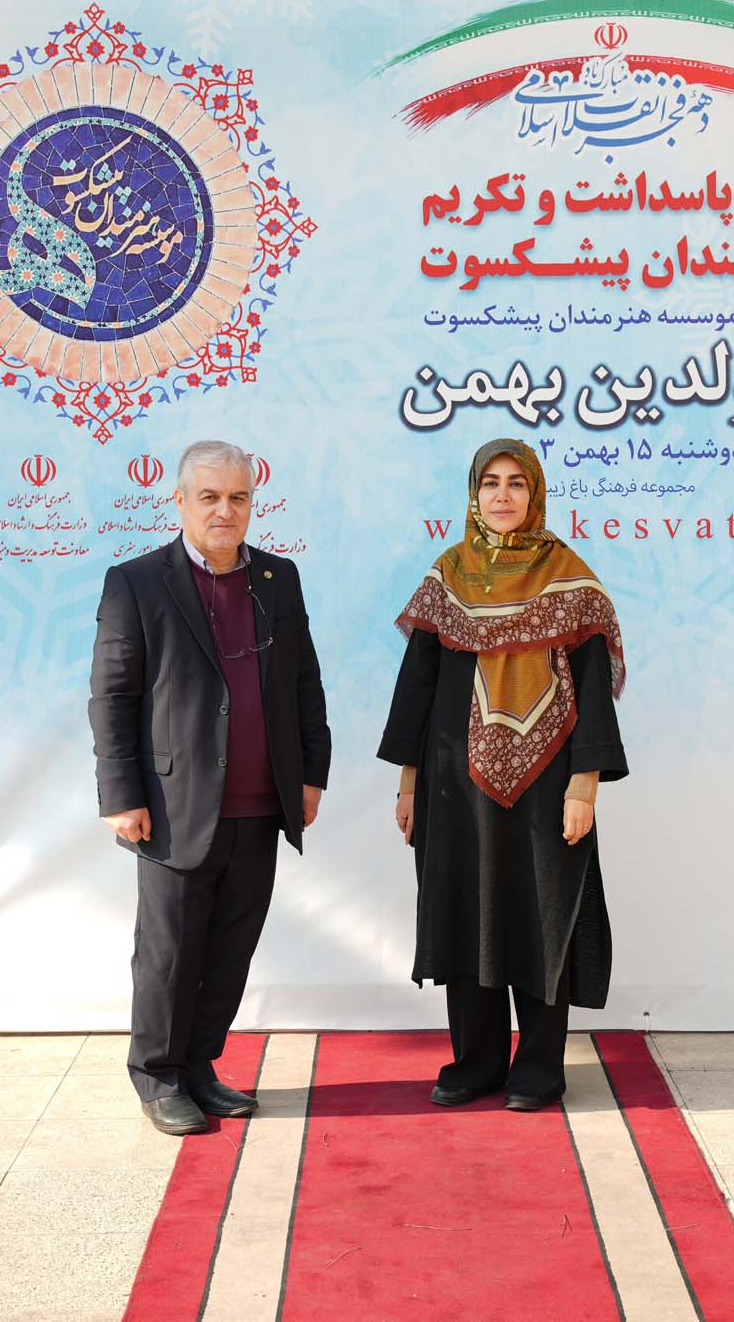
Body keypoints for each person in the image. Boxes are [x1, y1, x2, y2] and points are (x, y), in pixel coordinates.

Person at [89, 440, 331, 1134]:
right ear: (180, 502)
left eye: (238, 497)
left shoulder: (279, 578)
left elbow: (304, 681)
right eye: (210, 497)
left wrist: (310, 772)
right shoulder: (136, 582)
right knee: (169, 954)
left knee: (230, 949)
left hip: (261, 802)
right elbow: (112, 696)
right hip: (173, 806)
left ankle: (199, 1067)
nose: (225, 510)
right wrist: (120, 793)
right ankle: (158, 1075)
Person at [378, 438, 627, 1109]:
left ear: (534, 493)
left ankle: (540, 1066)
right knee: (467, 913)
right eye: (490, 482)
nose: (503, 495)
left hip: (547, 786)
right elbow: (416, 688)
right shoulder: (447, 576)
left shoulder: (570, 579)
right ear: (474, 494)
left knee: (541, 916)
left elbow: (593, 690)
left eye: (517, 482)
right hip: (454, 785)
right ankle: (477, 1061)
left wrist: (584, 787)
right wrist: (408, 784)